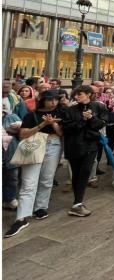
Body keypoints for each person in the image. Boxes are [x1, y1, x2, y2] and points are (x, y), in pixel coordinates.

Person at [4, 91, 63, 237]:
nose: (53, 102)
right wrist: (43, 124)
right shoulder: (31, 115)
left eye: (56, 99)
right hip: (34, 146)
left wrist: (53, 123)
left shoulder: (61, 113)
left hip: (53, 144)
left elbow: (61, 133)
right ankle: (21, 217)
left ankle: (40, 207)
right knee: (29, 182)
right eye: (50, 99)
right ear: (42, 100)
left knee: (47, 179)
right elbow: (23, 134)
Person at [61, 85, 108, 217]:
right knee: (76, 174)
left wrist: (91, 118)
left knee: (86, 171)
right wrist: (82, 119)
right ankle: (77, 203)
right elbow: (67, 127)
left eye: (79, 94)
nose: (76, 97)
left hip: (90, 145)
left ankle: (77, 202)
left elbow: (101, 124)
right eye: (75, 95)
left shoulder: (99, 107)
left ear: (88, 94)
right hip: (74, 145)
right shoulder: (70, 110)